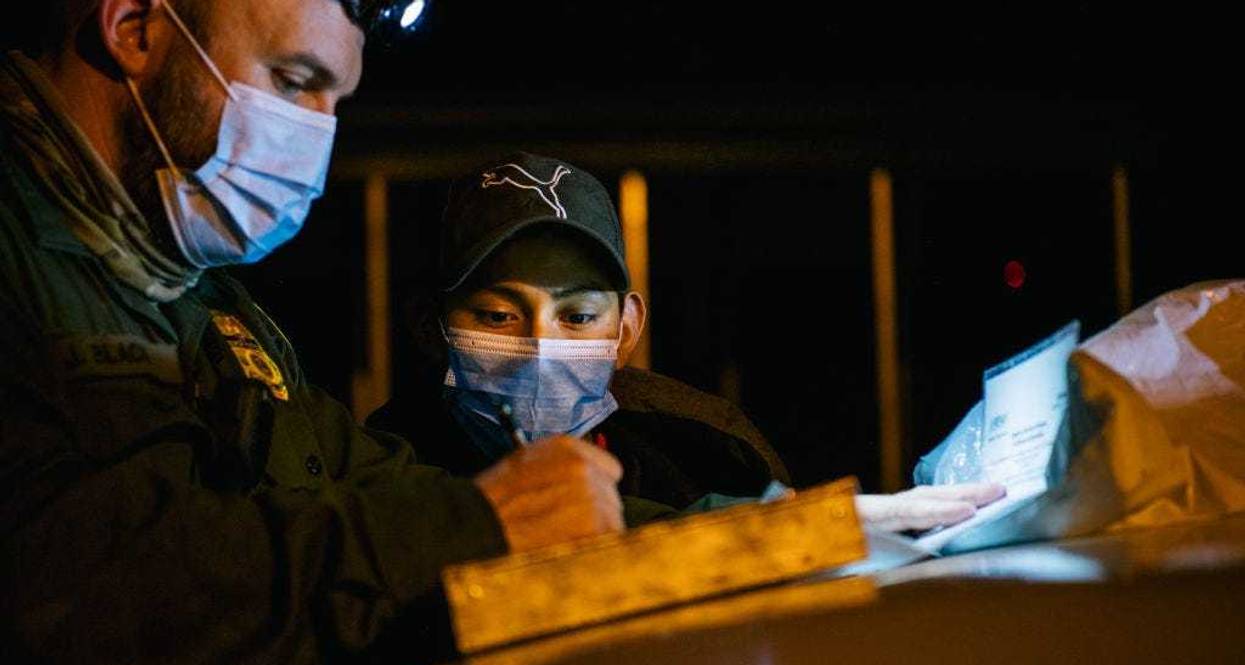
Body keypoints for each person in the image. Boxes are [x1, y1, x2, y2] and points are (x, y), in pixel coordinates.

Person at [0, 2, 624, 665]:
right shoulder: (23, 249)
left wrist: (738, 525)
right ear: (136, 30)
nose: (316, 145)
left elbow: (360, 477)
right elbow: (75, 594)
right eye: (293, 82)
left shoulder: (200, 299)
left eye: (333, 104)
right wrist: (467, 530)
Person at [368, 152, 1006, 530]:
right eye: (499, 315)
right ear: (431, 328)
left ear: (626, 329)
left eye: (578, 317)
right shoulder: (380, 472)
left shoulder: (704, 446)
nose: (542, 347)